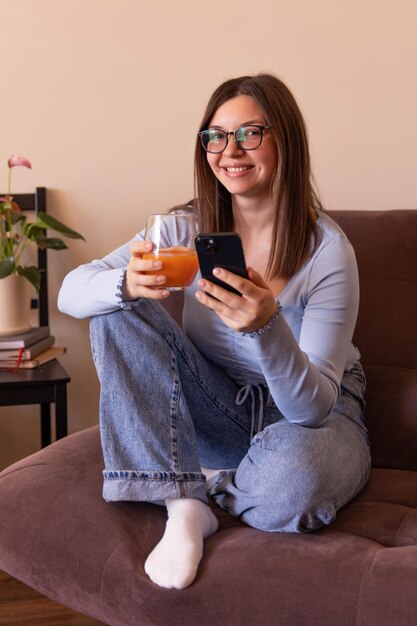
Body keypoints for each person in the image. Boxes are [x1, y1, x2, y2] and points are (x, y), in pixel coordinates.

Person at [58, 73, 371, 590]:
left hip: (316, 415)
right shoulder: (183, 227)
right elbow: (73, 290)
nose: (230, 150)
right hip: (218, 400)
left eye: (250, 133)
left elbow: (311, 408)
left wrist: (268, 328)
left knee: (291, 485)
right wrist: (129, 283)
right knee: (116, 307)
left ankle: (199, 477)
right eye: (215, 136)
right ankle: (185, 503)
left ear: (285, 141)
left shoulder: (328, 252)